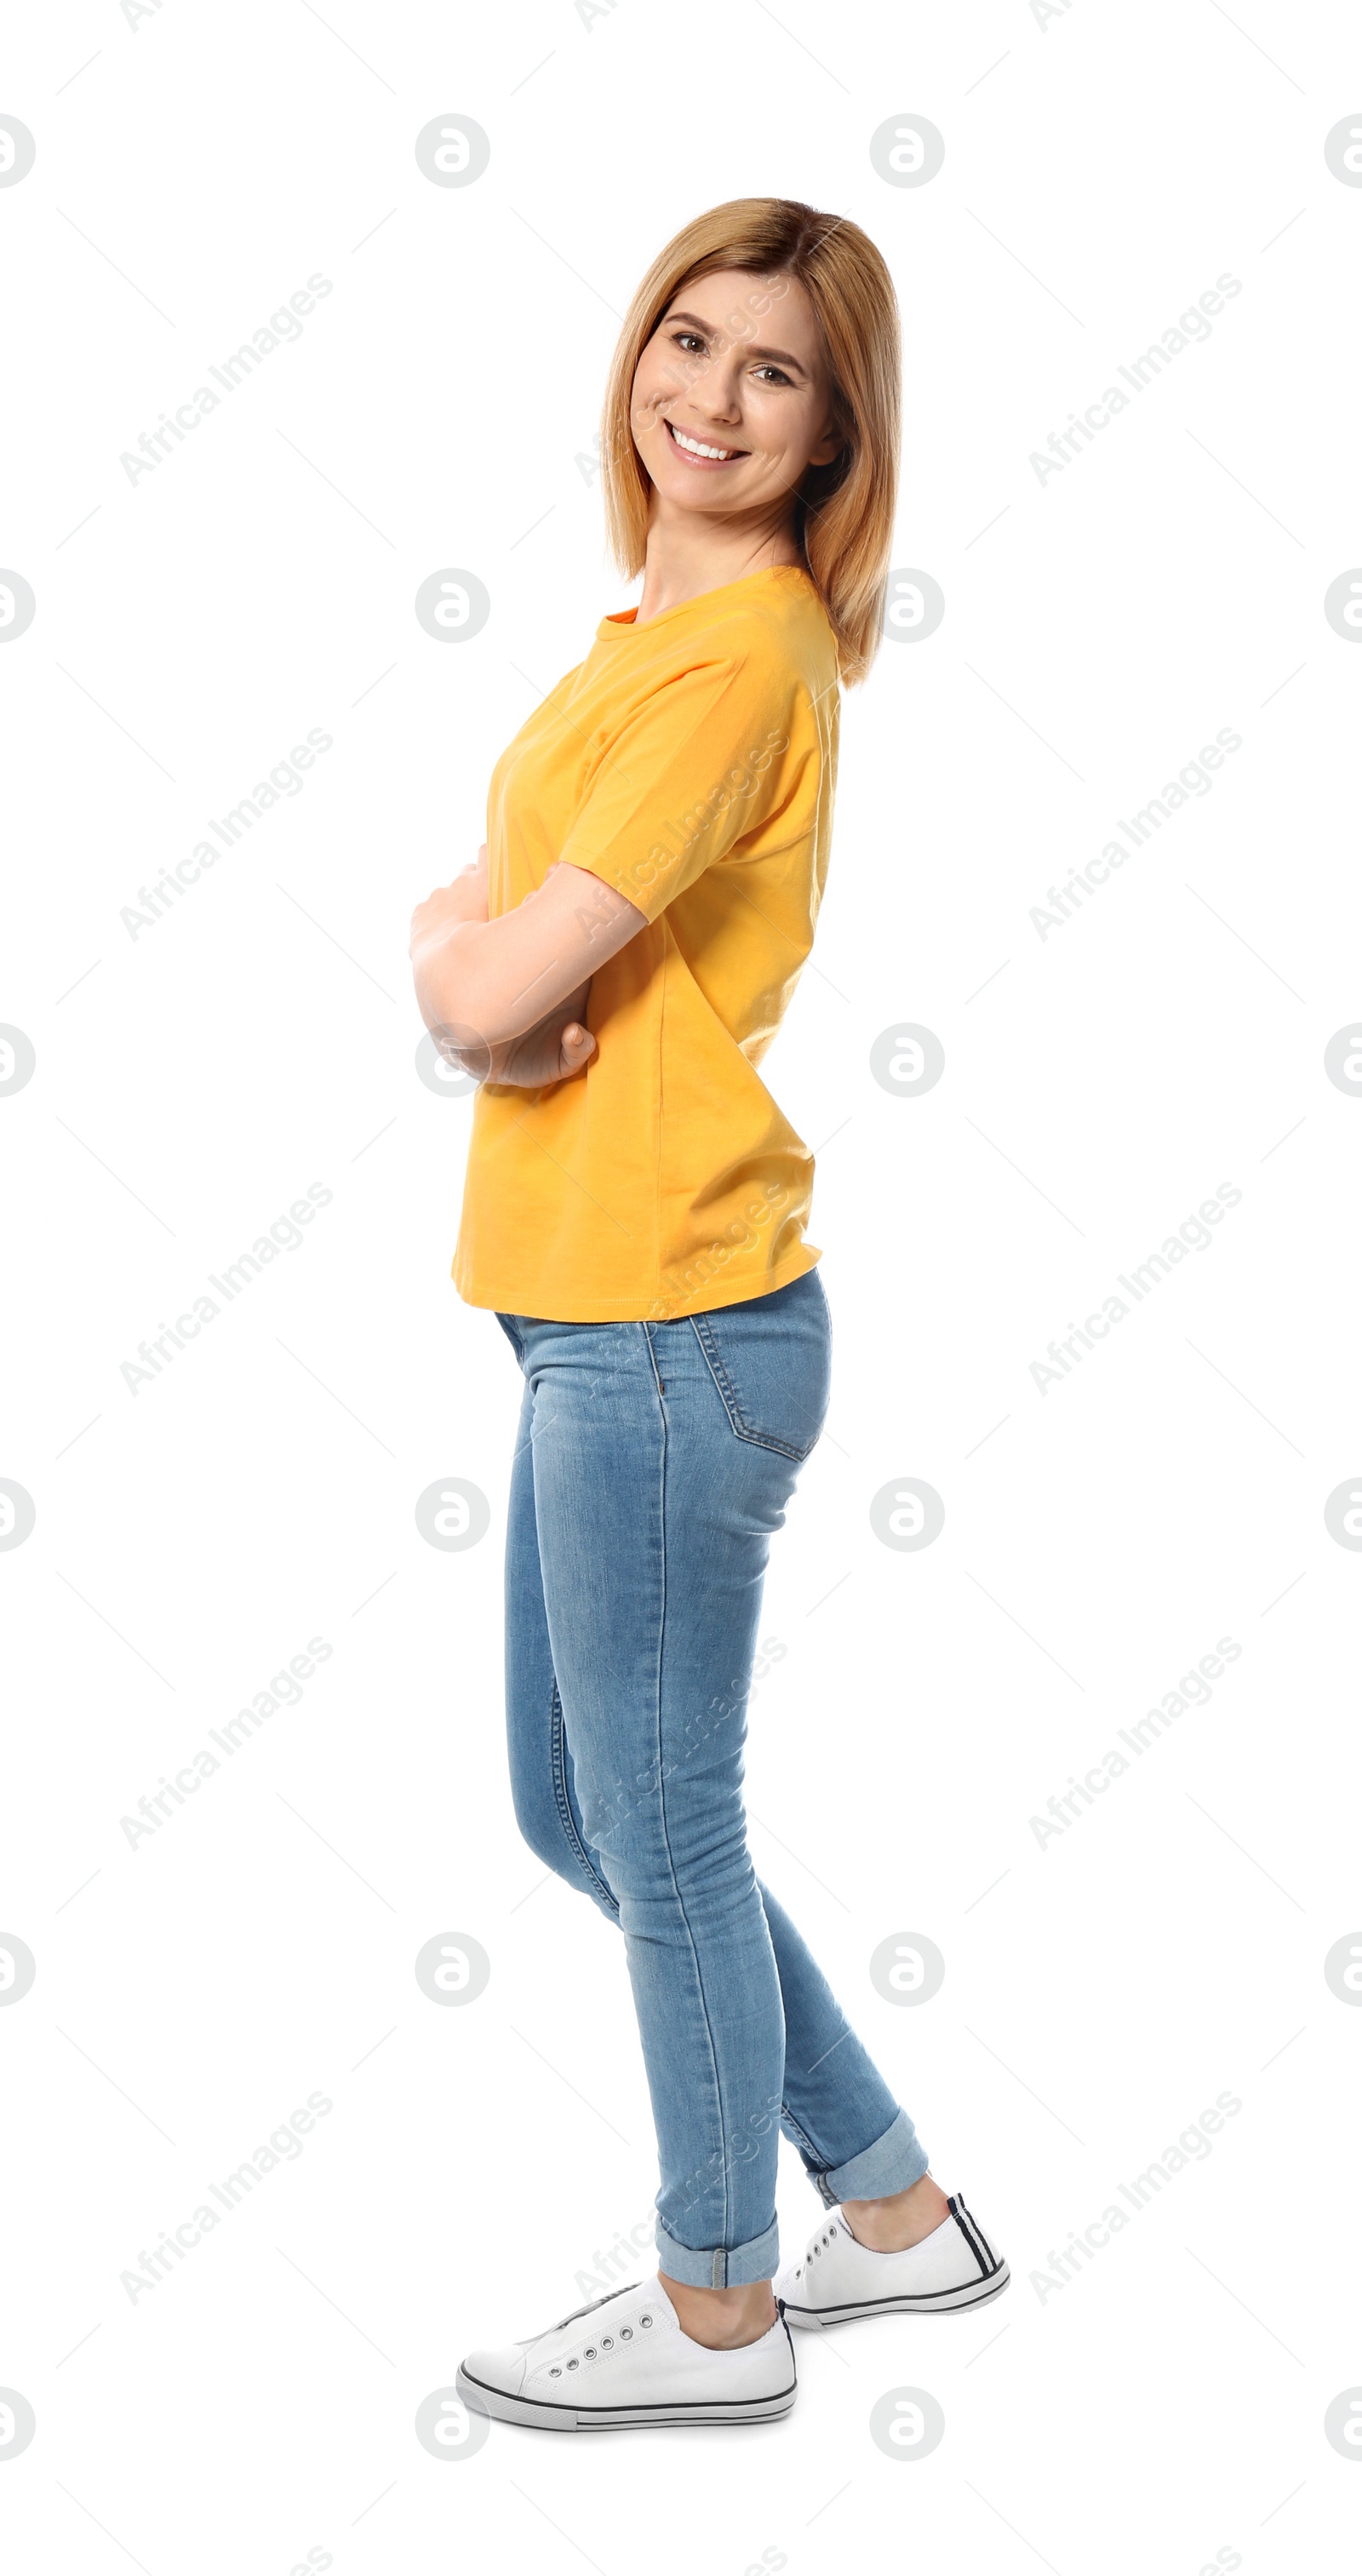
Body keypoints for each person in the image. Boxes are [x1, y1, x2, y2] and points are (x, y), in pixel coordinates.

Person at [409, 197, 1008, 2434]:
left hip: (667, 1319)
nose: (711, 397)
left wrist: (474, 982)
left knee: (656, 1825)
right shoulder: (637, 641)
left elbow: (495, 961)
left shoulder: (740, 654)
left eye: (774, 371)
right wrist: (473, 974)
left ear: (841, 426)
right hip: (597, 1308)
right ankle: (880, 2202)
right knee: (594, 1816)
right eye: (687, 337)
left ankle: (720, 2304)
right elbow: (472, 938)